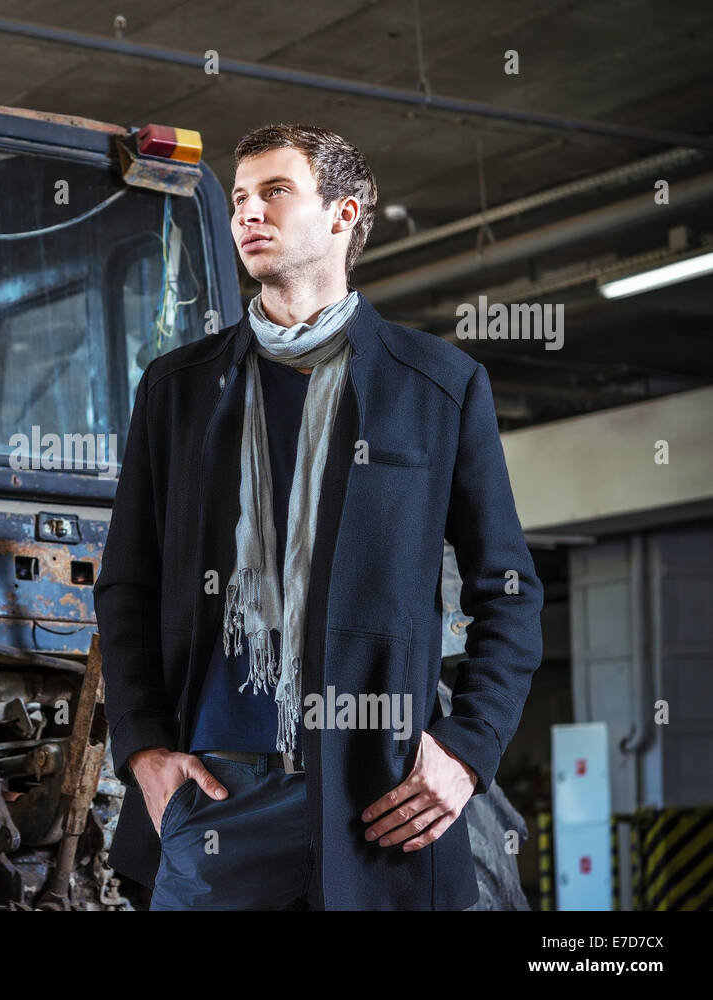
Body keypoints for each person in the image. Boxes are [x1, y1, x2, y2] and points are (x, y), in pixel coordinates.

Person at [94, 123, 544, 910]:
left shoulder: (437, 387)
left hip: (380, 803)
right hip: (215, 802)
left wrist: (466, 752)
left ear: (344, 214)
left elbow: (508, 591)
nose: (247, 214)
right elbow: (125, 588)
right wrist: (145, 753)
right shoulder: (176, 391)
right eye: (239, 198)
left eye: (275, 192)